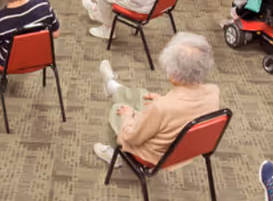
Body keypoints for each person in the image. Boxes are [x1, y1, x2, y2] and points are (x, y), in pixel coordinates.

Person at [92, 32, 220, 168]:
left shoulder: (162, 107)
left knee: (117, 108)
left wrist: (127, 116)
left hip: (154, 154)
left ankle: (113, 155)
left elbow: (131, 137)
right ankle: (113, 87)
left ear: (174, 76)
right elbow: (184, 109)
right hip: (183, 146)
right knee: (143, 95)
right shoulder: (213, 91)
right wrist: (162, 100)